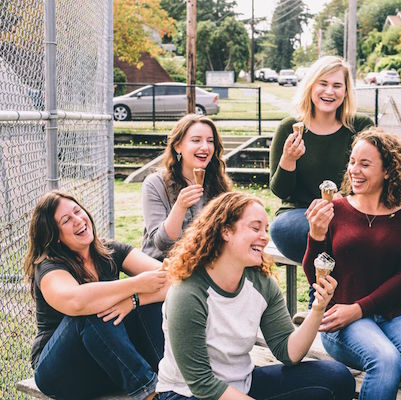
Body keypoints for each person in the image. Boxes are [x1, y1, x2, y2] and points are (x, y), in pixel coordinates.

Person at [155, 192, 355, 400]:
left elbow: (288, 352)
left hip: (243, 384)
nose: (265, 236)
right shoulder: (188, 293)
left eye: (266, 229)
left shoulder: (261, 283)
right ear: (226, 231)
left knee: (336, 377)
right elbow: (201, 383)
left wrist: (318, 309)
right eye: (255, 227)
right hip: (185, 394)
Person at [303, 128, 401, 400]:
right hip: (339, 316)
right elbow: (314, 277)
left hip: (393, 313)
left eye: (365, 164)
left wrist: (360, 308)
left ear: (388, 171)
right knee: (386, 360)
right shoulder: (335, 209)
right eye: (353, 161)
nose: (355, 170)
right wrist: (315, 235)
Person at [24, 191, 169, 400]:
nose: (78, 220)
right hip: (63, 371)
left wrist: (134, 300)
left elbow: (173, 279)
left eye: (77, 211)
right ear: (55, 236)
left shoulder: (110, 251)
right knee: (94, 308)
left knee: (149, 303)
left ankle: (168, 382)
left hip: (106, 364)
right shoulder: (49, 266)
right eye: (66, 220)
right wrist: (136, 284)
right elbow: (76, 301)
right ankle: (150, 394)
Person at [269, 55, 373, 265]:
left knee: (344, 230)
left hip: (351, 211)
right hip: (300, 215)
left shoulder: (361, 126)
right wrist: (288, 160)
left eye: (337, 85)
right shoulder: (289, 128)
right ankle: (329, 290)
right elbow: (281, 191)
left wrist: (341, 200)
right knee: (285, 229)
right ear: (310, 86)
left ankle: (320, 295)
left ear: (345, 92)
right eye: (323, 84)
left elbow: (377, 176)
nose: (329, 91)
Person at [142, 114, 232, 261]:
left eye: (210, 141)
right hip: (162, 265)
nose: (205, 147)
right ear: (178, 146)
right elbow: (162, 244)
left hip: (204, 263)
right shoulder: (155, 184)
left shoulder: (218, 183)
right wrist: (180, 206)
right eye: (196, 140)